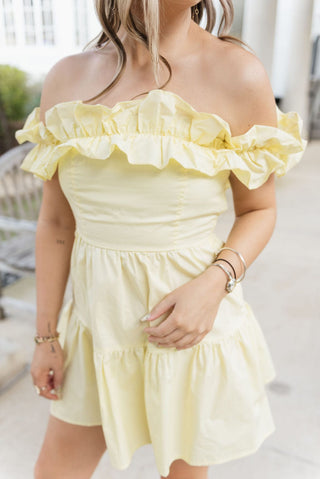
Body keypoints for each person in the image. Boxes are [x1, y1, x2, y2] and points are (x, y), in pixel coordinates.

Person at [15, 1, 307, 478]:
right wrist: (47, 336)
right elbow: (55, 225)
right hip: (92, 332)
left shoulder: (238, 74)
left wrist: (214, 284)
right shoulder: (67, 78)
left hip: (188, 331)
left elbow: (259, 209)